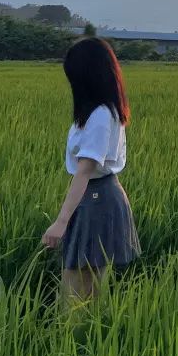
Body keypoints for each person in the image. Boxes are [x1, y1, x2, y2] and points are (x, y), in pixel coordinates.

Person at [42, 36, 141, 302]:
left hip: (98, 198)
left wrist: (60, 223)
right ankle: (83, 334)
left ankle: (77, 336)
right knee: (87, 284)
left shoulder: (100, 115)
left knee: (78, 287)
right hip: (96, 197)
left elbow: (84, 171)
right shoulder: (100, 111)